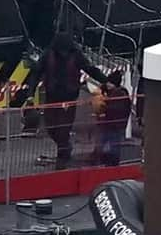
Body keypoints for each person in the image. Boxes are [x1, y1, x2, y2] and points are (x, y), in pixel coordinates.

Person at [27, 32, 112, 170]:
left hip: (70, 98)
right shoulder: (48, 55)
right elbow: (36, 73)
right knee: (51, 127)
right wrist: (30, 94)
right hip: (52, 98)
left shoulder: (76, 56)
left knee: (63, 129)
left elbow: (90, 69)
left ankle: (62, 157)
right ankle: (65, 147)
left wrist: (106, 81)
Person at [96, 71, 132, 166]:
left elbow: (115, 109)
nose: (107, 84)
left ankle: (110, 163)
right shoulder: (118, 92)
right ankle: (109, 162)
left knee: (112, 144)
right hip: (114, 124)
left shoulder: (118, 94)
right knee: (111, 144)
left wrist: (105, 108)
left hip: (114, 125)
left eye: (110, 83)